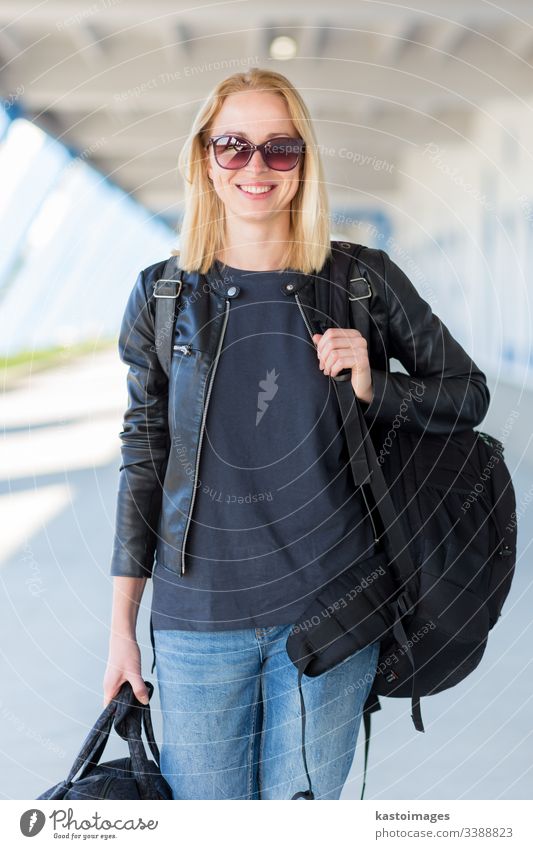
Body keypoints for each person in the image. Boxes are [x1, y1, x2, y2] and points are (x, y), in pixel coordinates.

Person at [103, 67, 490, 800]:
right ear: (204, 161)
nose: (256, 167)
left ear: (303, 165)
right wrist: (122, 625)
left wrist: (376, 382)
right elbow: (142, 461)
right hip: (197, 622)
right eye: (233, 146)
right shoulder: (163, 295)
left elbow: (465, 392)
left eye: (280, 149)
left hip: (330, 615)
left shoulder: (360, 281)